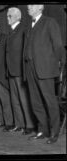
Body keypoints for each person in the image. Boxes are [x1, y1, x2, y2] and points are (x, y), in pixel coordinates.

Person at [24, 5, 66, 144]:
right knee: (35, 102)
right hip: (30, 69)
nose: (28, 7)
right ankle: (43, 130)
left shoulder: (49, 22)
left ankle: (54, 132)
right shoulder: (28, 25)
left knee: (50, 101)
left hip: (45, 69)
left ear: (39, 8)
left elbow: (58, 46)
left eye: (31, 5)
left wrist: (55, 66)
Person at [6, 7, 36, 134]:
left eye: (10, 16)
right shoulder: (11, 32)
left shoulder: (23, 29)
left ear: (18, 17)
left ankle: (29, 125)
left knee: (24, 99)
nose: (7, 18)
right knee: (15, 100)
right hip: (11, 71)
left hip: (19, 70)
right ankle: (19, 124)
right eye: (7, 16)